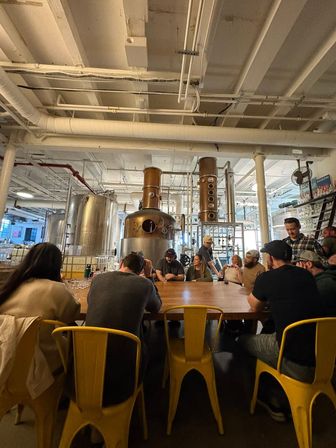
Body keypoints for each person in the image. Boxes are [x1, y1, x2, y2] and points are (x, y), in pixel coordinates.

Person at [239, 240, 323, 421]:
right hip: (319, 354)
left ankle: (269, 397)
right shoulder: (307, 276)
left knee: (243, 340)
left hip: (290, 355)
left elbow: (254, 307)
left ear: (270, 259)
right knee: (269, 329)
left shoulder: (267, 278)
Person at [86, 252, 162, 405]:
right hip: (125, 375)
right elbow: (156, 307)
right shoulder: (144, 284)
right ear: (140, 270)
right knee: (156, 348)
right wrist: (149, 276)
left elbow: (90, 302)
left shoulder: (98, 279)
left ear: (121, 263)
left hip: (85, 367)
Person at [0, 242, 80, 373]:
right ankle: (76, 388)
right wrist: (63, 284)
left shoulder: (11, 286)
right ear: (57, 266)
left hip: (4, 363)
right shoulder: (56, 289)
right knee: (76, 333)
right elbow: (73, 314)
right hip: (39, 369)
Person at [295, 250, 336, 316]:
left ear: (309, 264)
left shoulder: (321, 285)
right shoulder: (329, 277)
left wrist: (302, 277)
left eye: (298, 264)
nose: (296, 270)